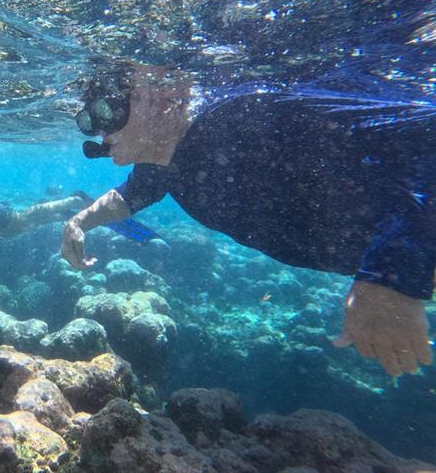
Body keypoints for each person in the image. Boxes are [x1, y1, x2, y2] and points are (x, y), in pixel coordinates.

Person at [62, 61, 435, 378]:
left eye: (109, 109)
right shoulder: (166, 159)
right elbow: (130, 195)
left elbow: (423, 136)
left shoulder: (246, 118)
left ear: (168, 99)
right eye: (91, 119)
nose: (101, 129)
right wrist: (79, 222)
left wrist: (392, 277)